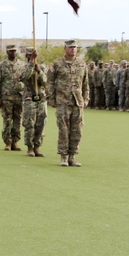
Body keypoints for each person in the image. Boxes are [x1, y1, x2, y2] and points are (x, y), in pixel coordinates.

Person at [47, 39, 89, 167]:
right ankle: (64, 157)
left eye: (75, 47)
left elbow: (86, 83)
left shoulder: (82, 64)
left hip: (77, 101)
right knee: (64, 129)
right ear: (65, 48)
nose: (73, 49)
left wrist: (86, 98)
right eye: (70, 47)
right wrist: (51, 99)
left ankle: (72, 156)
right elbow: (50, 82)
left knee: (77, 130)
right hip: (62, 101)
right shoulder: (57, 64)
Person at [0, 44, 25, 151]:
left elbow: (25, 80)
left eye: (15, 51)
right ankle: (7, 142)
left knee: (17, 119)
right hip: (6, 97)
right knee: (7, 120)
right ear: (7, 52)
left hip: (19, 96)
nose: (13, 52)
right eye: (11, 51)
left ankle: (15, 141)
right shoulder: (1, 65)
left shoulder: (22, 64)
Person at [19, 46, 48, 157]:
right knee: (30, 123)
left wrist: (39, 71)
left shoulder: (42, 67)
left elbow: (45, 82)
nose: (33, 57)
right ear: (27, 56)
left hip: (41, 98)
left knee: (41, 123)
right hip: (29, 98)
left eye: (34, 55)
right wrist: (31, 64)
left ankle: (37, 147)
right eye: (30, 55)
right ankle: (30, 147)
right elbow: (24, 77)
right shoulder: (23, 67)